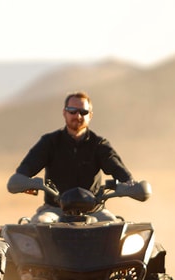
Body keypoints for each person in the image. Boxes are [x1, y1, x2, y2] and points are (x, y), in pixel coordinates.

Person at [13, 91, 133, 222]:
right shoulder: (50, 142)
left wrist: (130, 183)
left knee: (114, 228)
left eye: (83, 112)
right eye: (72, 111)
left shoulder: (98, 144)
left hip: (94, 211)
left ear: (90, 115)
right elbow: (27, 168)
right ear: (64, 112)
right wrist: (21, 179)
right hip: (55, 210)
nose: (78, 115)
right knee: (39, 223)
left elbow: (116, 166)